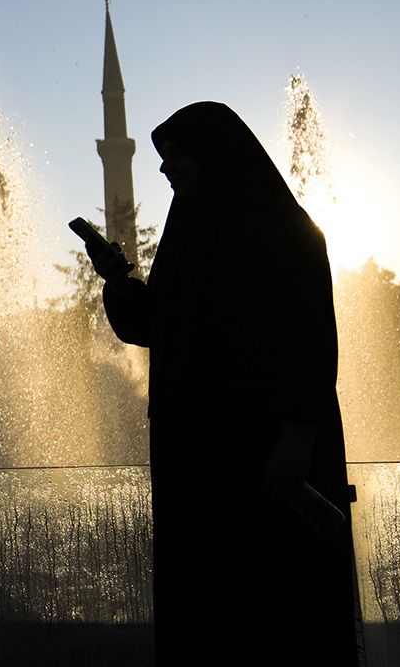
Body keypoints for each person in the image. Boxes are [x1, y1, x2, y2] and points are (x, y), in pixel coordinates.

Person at [89, 101, 358, 664]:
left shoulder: (287, 233)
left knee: (278, 597)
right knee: (208, 603)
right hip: (196, 456)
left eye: (177, 154)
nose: (165, 167)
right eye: (163, 156)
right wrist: (118, 279)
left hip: (265, 449)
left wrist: (298, 438)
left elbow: (311, 342)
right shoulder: (188, 235)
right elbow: (153, 326)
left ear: (215, 154)